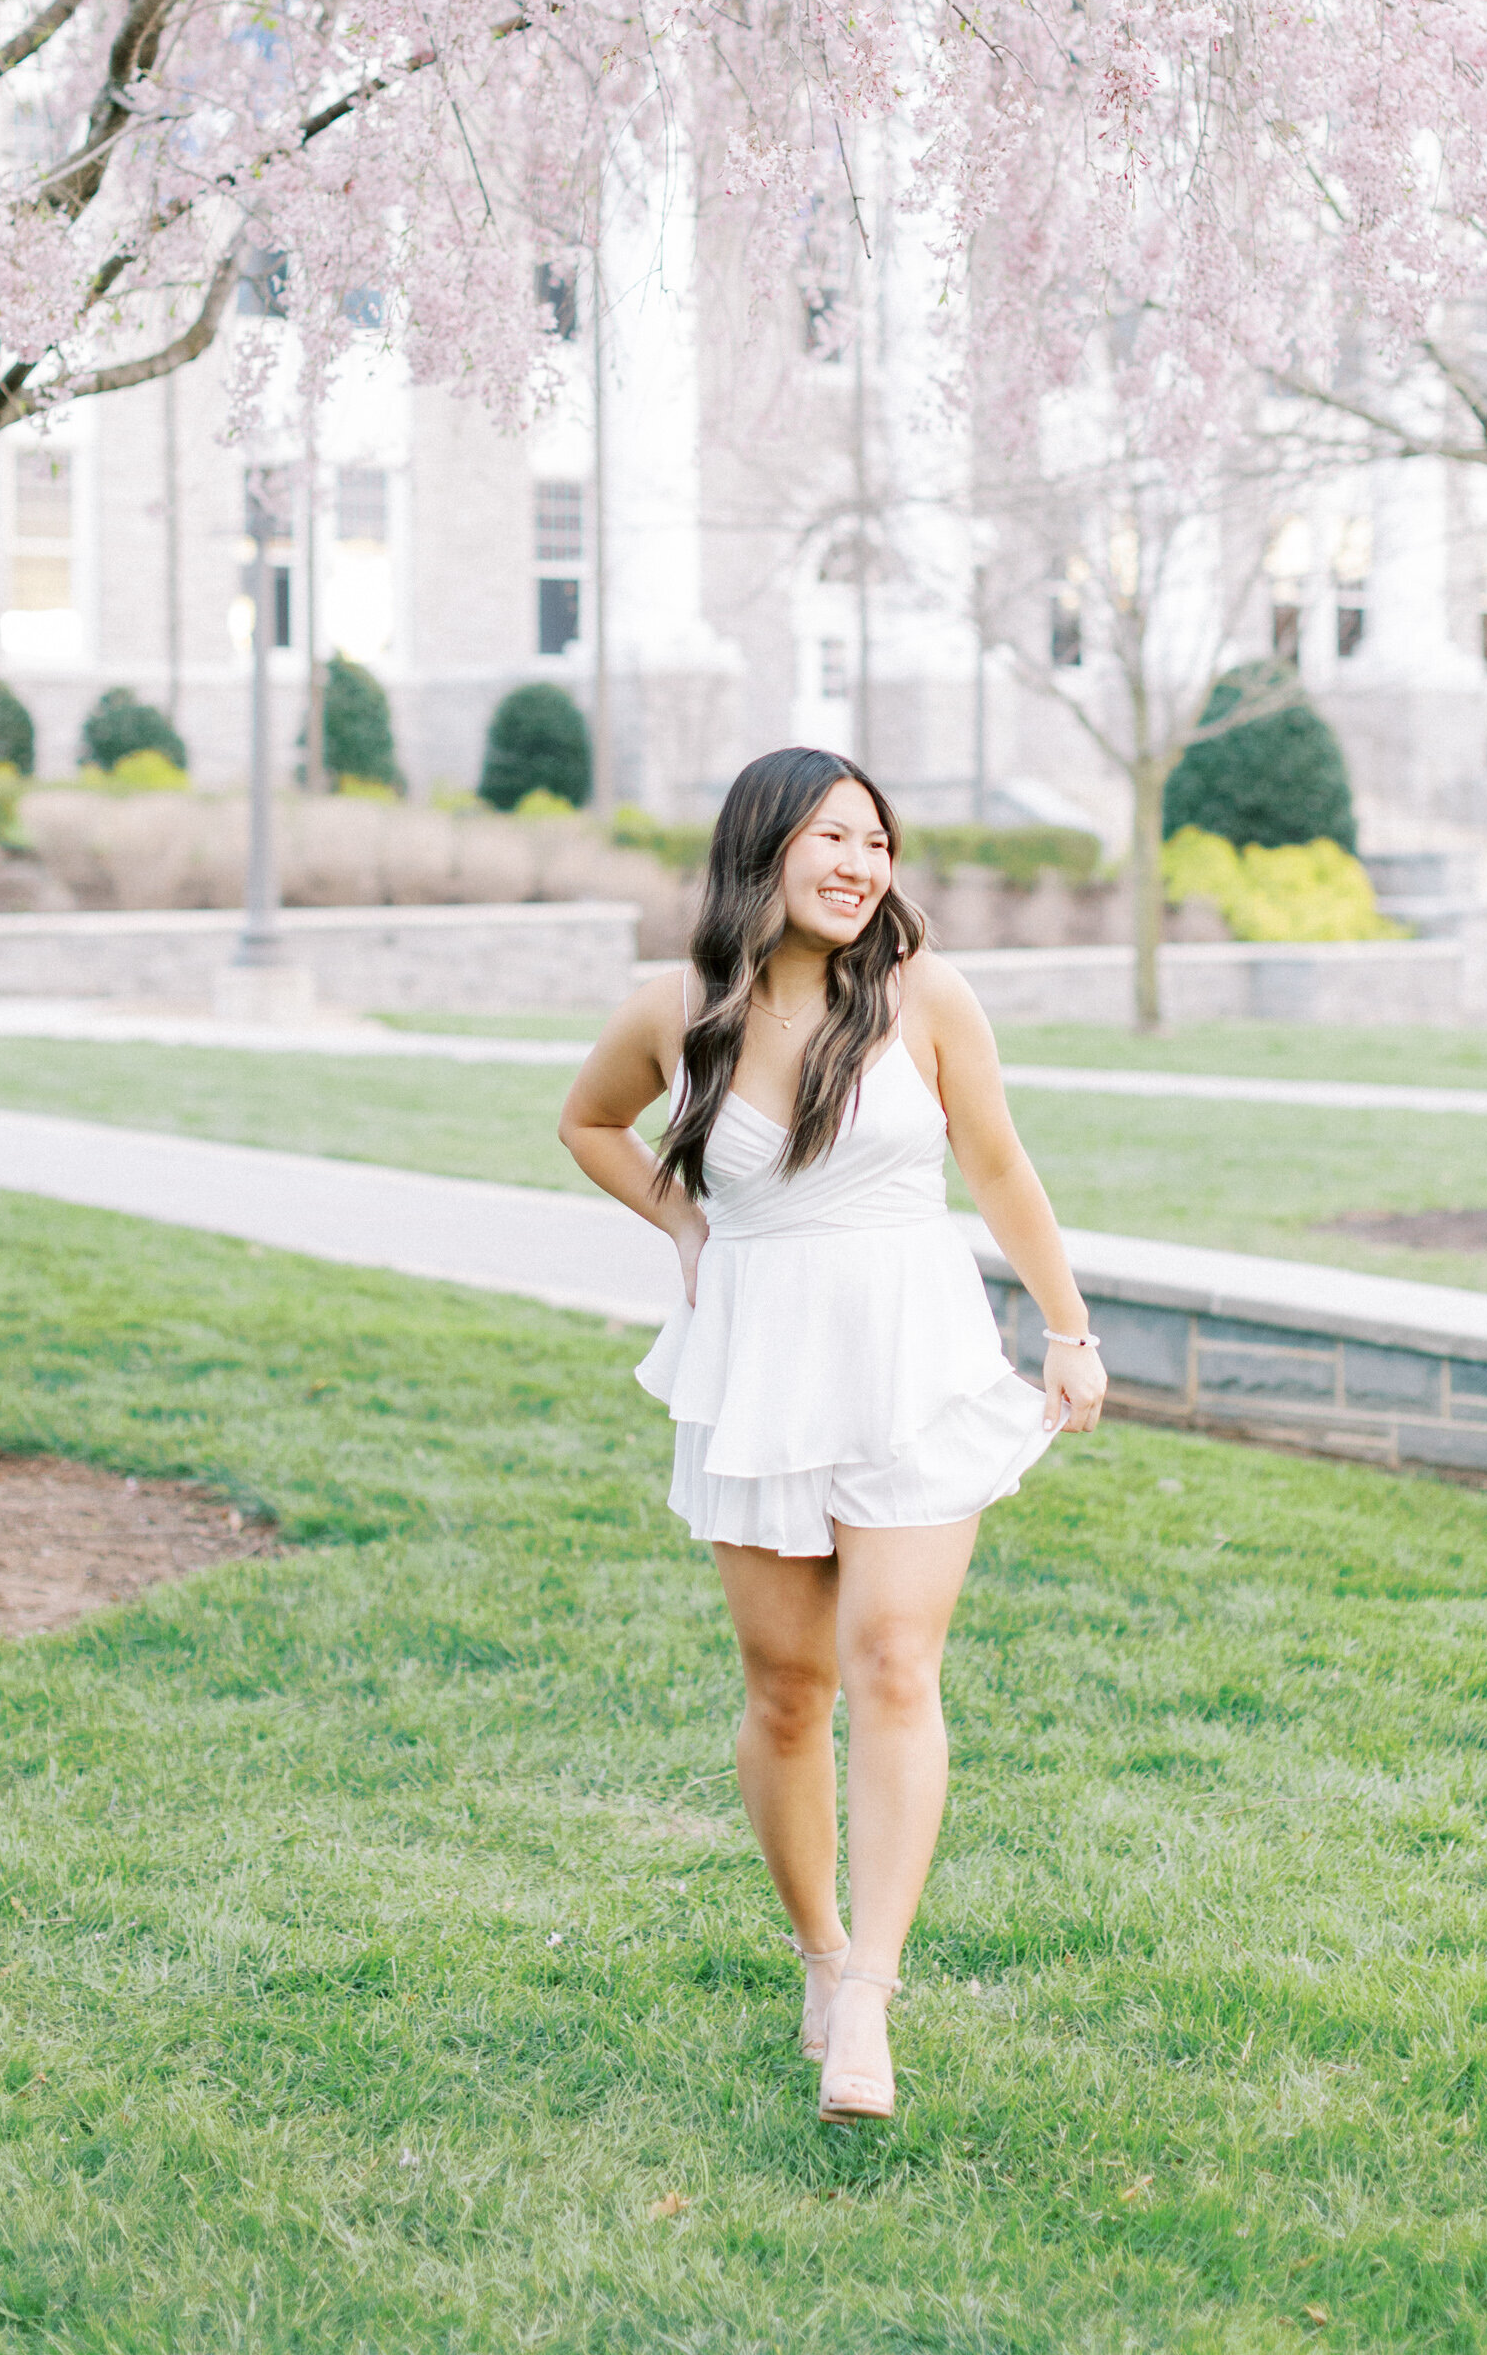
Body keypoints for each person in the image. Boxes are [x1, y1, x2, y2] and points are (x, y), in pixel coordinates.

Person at [559, 745, 1104, 2123]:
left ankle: (872, 1988)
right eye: (832, 839)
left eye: (877, 842)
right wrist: (684, 1220)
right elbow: (586, 1122)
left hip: (912, 1354)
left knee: (893, 1665)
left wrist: (1067, 1327)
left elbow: (996, 1161)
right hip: (760, 1359)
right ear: (763, 850)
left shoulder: (926, 998)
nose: (862, 866)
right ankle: (814, 1953)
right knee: (788, 1689)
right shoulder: (676, 1010)